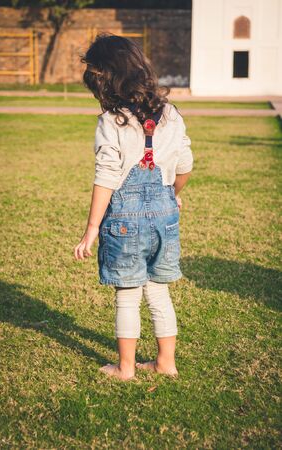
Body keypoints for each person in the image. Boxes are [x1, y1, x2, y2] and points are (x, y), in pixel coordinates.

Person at [74, 33, 193, 381]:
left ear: (106, 81)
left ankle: (126, 368)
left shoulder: (112, 121)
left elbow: (107, 176)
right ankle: (165, 363)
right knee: (158, 292)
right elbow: (184, 164)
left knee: (127, 296)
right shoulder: (170, 113)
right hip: (164, 219)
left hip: (124, 222)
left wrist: (92, 228)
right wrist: (172, 192)